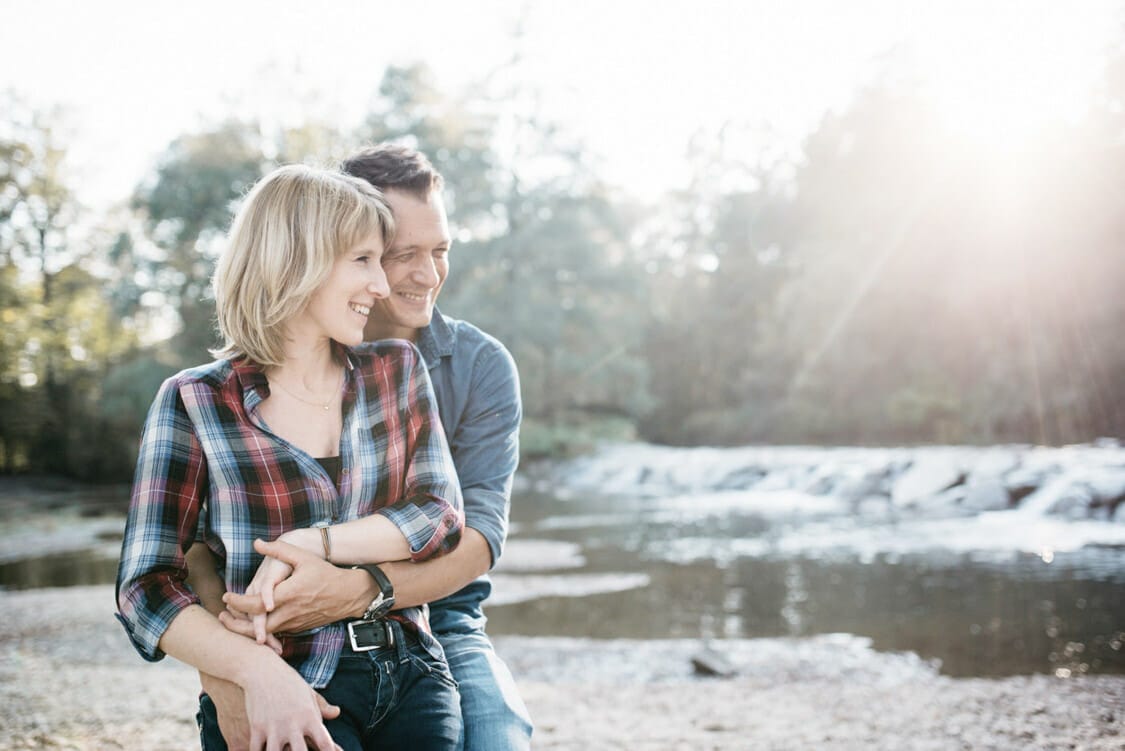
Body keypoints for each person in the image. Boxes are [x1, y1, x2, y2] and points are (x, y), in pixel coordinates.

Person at [188, 144, 533, 750]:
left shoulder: (478, 365)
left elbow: (476, 538)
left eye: (441, 251)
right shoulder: (243, 381)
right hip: (277, 628)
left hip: (440, 617)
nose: (426, 274)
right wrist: (226, 674)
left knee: (498, 737)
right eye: (401, 255)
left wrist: (359, 590)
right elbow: (195, 545)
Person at [115, 164, 465, 750]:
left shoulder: (397, 371)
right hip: (286, 678)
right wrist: (254, 674)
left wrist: (316, 542)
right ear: (297, 261)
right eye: (363, 260)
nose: (381, 286)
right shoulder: (195, 400)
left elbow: (440, 517)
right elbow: (145, 586)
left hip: (413, 678)